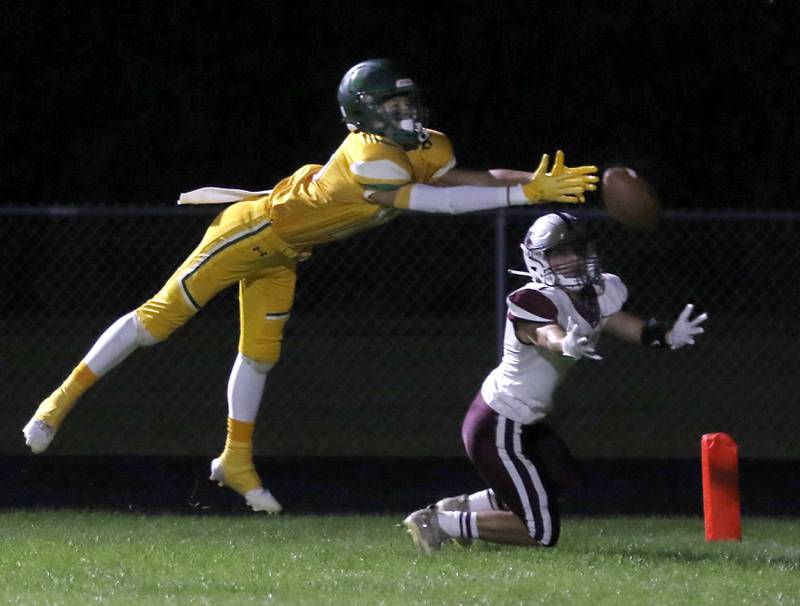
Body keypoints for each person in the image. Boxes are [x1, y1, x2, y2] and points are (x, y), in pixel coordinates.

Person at [22, 59, 599, 513]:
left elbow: (467, 178)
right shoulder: (370, 156)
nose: (405, 112)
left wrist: (533, 180)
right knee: (157, 321)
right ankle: (58, 401)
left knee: (259, 356)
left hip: (288, 252)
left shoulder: (426, 146)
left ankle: (236, 459)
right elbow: (440, 203)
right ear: (363, 113)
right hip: (253, 231)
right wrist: (521, 196)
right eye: (392, 104)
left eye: (407, 101)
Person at [403, 212, 707, 553]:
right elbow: (544, 333)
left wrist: (667, 336)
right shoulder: (533, 298)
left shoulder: (597, 293)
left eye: (577, 250)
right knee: (540, 532)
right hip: (499, 422)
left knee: (562, 479)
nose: (573, 259)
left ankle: (459, 508)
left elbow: (627, 325)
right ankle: (439, 524)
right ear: (538, 259)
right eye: (560, 252)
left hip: (523, 420)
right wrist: (565, 343)